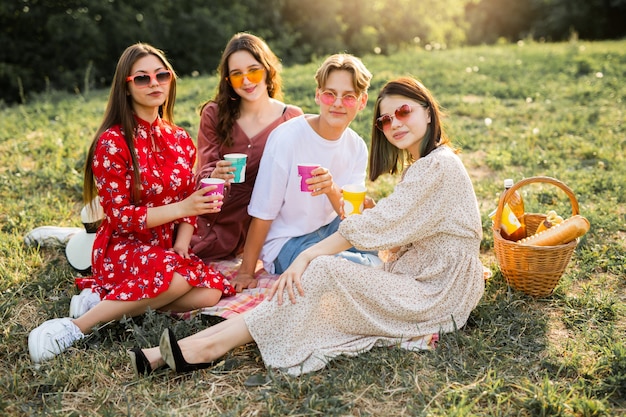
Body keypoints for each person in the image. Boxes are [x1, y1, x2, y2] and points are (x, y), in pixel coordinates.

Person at [129, 76, 485, 376]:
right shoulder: (427, 164)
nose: (395, 124)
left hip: (438, 291)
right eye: (386, 120)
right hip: (421, 279)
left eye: (404, 111)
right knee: (321, 285)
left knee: (322, 271)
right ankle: (201, 345)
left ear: (427, 109)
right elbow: (393, 220)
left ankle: (205, 346)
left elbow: (375, 225)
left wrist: (306, 257)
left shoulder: (437, 166)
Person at [28, 43, 236, 364]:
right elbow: (122, 217)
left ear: (170, 80)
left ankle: (108, 299)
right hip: (123, 246)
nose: (154, 83)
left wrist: (182, 243)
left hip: (165, 249)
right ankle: (76, 326)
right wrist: (184, 209)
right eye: (142, 78)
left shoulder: (180, 139)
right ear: (126, 87)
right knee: (175, 279)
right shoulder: (112, 142)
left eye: (161, 75)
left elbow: (185, 200)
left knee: (210, 292)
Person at [230, 53, 380, 293]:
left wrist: (331, 190)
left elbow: (350, 216)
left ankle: (358, 269)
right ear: (318, 95)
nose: (338, 103)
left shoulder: (356, 146)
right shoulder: (287, 139)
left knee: (372, 248)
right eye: (330, 94)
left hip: (332, 230)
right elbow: (263, 211)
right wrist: (246, 272)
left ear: (362, 102)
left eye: (349, 97)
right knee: (328, 271)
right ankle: (358, 270)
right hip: (288, 242)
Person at [190, 33, 303, 263]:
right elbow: (202, 174)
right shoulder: (214, 114)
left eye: (253, 70)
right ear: (228, 81)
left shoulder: (291, 118)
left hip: (263, 226)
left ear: (267, 70)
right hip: (216, 219)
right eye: (237, 75)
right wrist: (214, 174)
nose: (247, 81)